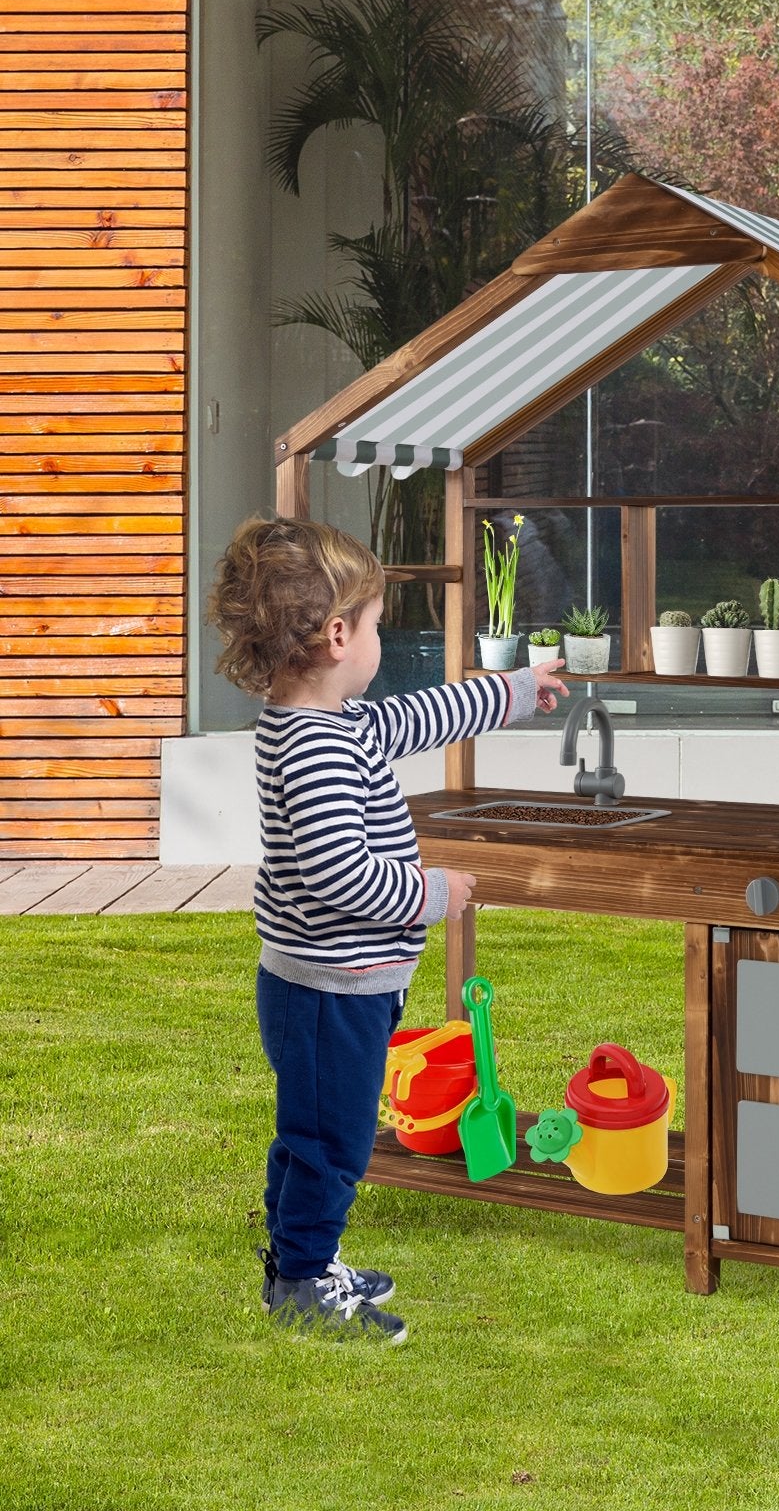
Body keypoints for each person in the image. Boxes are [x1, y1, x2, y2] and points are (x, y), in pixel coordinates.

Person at [207, 515, 568, 1341]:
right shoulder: (315, 749)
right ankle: (302, 1282)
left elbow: (423, 717)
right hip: (331, 988)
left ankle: (299, 1259)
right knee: (332, 1142)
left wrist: (512, 689)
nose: (380, 639)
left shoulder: (333, 724)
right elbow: (341, 876)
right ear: (337, 635)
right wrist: (433, 892)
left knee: (310, 1132)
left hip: (329, 983)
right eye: (375, 623)